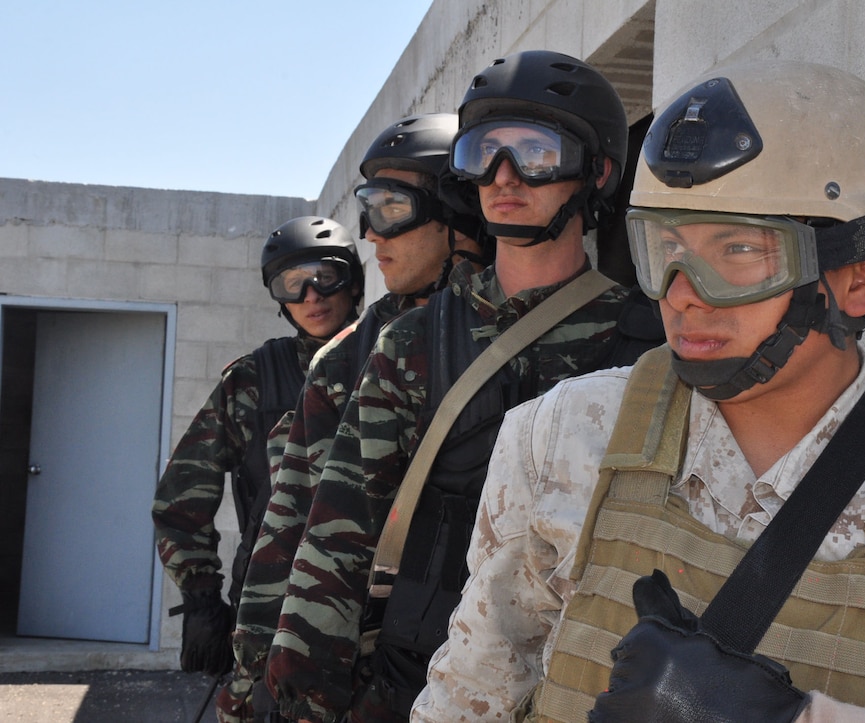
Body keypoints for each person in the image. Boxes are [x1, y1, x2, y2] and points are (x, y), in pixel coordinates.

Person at [414, 60, 865, 722]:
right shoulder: (563, 433)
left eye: (736, 252)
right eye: (666, 248)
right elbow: (470, 693)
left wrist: (797, 717)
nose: (682, 295)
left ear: (860, 276)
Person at [263, 49, 664, 722]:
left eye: (535, 153)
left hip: (586, 680)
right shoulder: (418, 340)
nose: (504, 177)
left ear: (594, 172)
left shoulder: (647, 341)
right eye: (485, 153)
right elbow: (338, 529)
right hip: (422, 680)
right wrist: (300, 688)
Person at [226, 113, 490, 723]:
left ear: (456, 207)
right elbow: (290, 524)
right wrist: (257, 671)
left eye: (393, 207)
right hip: (366, 671)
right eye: (368, 209)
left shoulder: (537, 335)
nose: (373, 234)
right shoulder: (349, 356)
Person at [151, 216, 363, 716]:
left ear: (352, 281)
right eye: (292, 284)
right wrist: (201, 596)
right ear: (279, 300)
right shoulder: (252, 381)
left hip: (370, 610)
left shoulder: (395, 361)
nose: (312, 296)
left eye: (324, 277)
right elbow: (181, 498)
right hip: (270, 606)